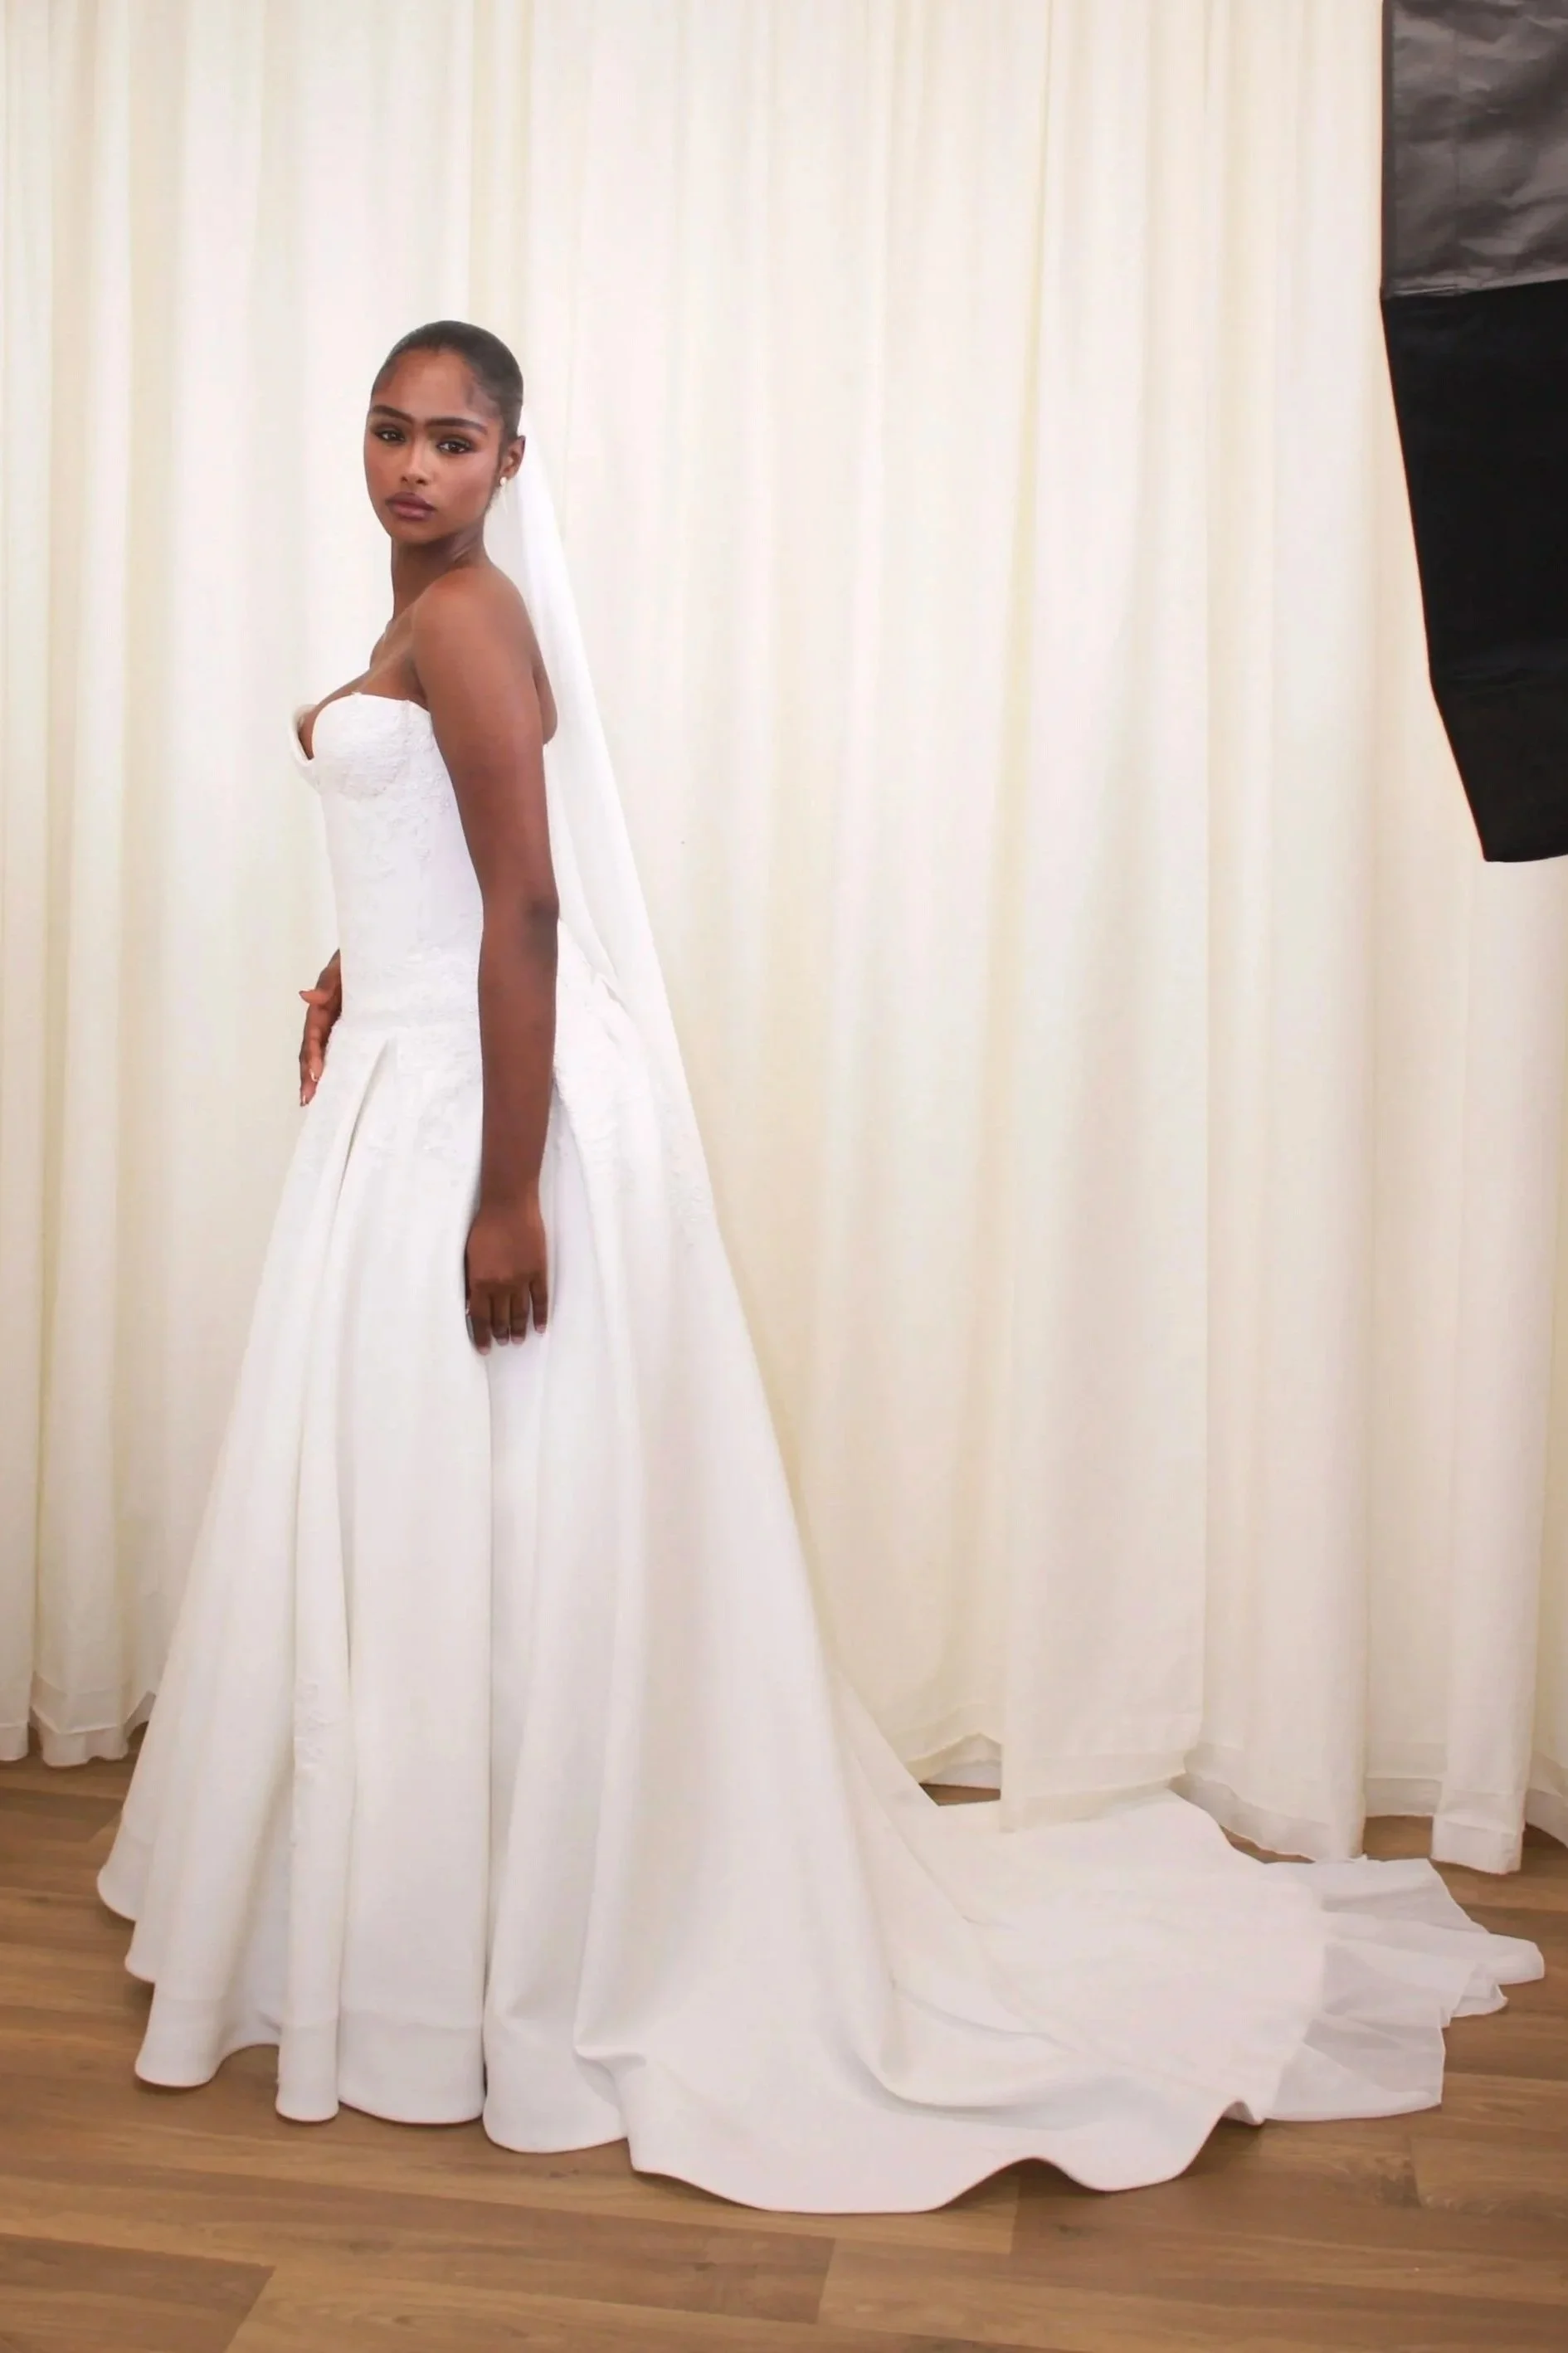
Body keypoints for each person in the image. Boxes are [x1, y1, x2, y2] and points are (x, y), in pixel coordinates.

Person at [98, 320, 1541, 2214]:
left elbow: (531, 896)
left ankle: (493, 1952)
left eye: (453, 438)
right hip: (417, 1068)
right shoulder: (428, 616)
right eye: (388, 429)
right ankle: (431, 1937)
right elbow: (449, 868)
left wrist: (510, 1186)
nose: (413, 465)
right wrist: (363, 956)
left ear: (512, 462)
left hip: (479, 1108)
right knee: (449, 1518)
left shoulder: (464, 617)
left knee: (482, 1517)